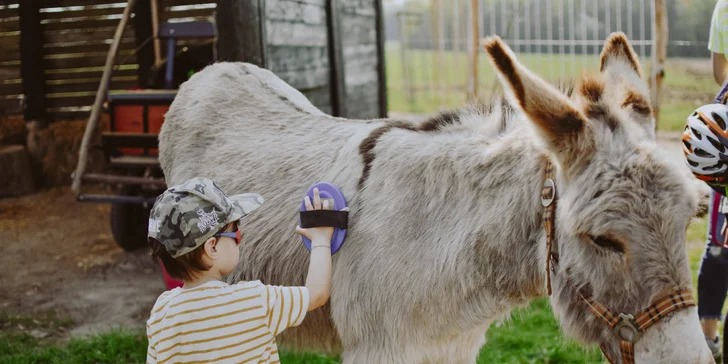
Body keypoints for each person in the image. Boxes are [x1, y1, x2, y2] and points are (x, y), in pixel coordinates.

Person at [144, 177, 345, 363]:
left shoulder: (162, 313)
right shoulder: (253, 300)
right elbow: (317, 294)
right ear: (212, 247)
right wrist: (320, 239)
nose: (240, 238)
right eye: (235, 233)